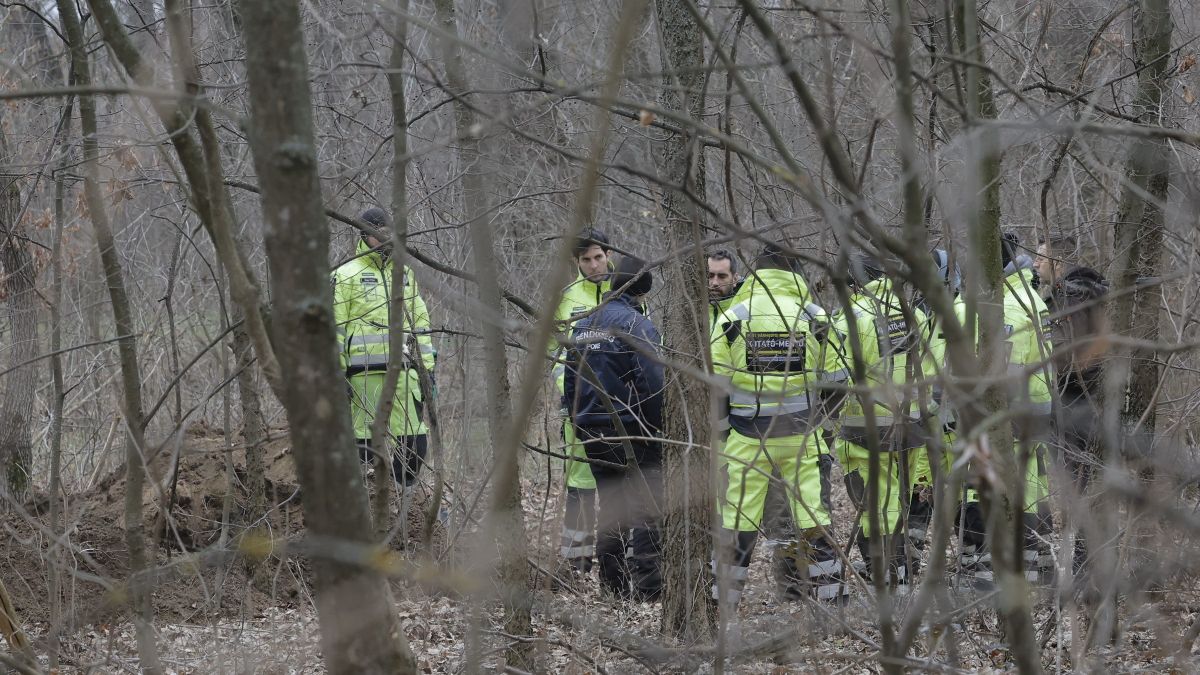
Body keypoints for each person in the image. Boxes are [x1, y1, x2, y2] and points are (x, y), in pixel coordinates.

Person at [709, 243, 848, 608]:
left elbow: (715, 386)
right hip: (803, 437)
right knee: (814, 521)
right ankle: (832, 609)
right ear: (796, 272)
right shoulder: (816, 317)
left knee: (736, 524)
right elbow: (837, 381)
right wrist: (821, 423)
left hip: (745, 436)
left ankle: (722, 609)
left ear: (757, 272)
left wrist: (724, 430)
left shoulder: (733, 318)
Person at [831, 253, 943, 589]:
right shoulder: (913, 315)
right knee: (898, 502)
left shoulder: (850, 317)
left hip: (863, 432)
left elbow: (835, 378)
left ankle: (890, 583)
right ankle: (903, 579)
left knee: (875, 510)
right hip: (910, 428)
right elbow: (932, 369)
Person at [956, 232, 1056, 588]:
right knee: (1031, 491)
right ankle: (1036, 573)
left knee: (983, 492)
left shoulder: (986, 306)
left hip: (997, 419)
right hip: (1034, 417)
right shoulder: (1029, 298)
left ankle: (982, 581)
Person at [563, 255, 664, 600]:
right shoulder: (637, 325)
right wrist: (657, 429)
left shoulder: (583, 324)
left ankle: (614, 591)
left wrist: (579, 423)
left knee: (610, 508)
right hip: (634, 431)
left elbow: (569, 383)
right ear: (642, 291)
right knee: (646, 510)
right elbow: (653, 382)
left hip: (593, 431)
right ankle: (651, 593)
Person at [332, 207, 437, 489]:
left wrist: (428, 370)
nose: (385, 239)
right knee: (363, 447)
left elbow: (421, 325)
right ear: (365, 234)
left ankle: (404, 504)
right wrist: (336, 374)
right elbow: (334, 328)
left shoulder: (404, 273)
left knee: (415, 443)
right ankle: (367, 504)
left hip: (403, 373)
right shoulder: (345, 275)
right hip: (361, 376)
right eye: (379, 233)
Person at [551, 230, 615, 574]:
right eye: (586, 260)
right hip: (579, 409)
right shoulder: (564, 298)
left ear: (608, 254)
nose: (594, 265)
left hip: (622, 409)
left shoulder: (626, 291)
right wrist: (573, 392)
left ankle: (613, 560)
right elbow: (553, 354)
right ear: (577, 262)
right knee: (580, 483)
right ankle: (576, 563)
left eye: (598, 257)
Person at [1045, 265, 1108, 586]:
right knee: (1090, 484)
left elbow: (1059, 356)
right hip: (1095, 402)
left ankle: (1083, 564)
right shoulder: (1100, 301)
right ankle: (1088, 560)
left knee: (1076, 484)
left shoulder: (1062, 301)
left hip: (1069, 404)